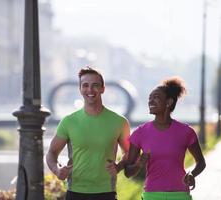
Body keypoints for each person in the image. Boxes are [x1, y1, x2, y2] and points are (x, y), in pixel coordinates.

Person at [46, 66, 130, 200]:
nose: (90, 90)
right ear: (80, 89)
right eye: (85, 85)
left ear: (103, 88)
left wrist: (118, 167)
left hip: (106, 192)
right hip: (76, 192)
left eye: (95, 85)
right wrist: (57, 170)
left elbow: (130, 152)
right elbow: (51, 153)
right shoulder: (68, 121)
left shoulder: (119, 122)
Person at [124, 76, 206, 200]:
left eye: (156, 97)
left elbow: (201, 163)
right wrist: (139, 164)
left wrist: (192, 174)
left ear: (169, 102)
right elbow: (127, 172)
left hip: (180, 194)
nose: (150, 101)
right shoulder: (140, 133)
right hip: (152, 195)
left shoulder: (186, 132)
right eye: (149, 98)